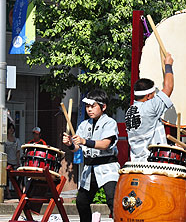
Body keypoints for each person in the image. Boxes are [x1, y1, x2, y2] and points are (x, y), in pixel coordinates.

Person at [62, 89, 119, 222]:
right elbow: (77, 148)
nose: (89, 110)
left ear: (103, 107)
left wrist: (84, 141)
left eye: (93, 106)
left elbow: (105, 144)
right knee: (81, 201)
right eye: (87, 106)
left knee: (112, 200)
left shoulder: (110, 123)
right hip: (90, 169)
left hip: (107, 167)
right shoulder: (83, 125)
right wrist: (70, 143)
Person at [125, 53, 174, 162]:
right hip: (152, 161)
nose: (155, 96)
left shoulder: (130, 111)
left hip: (136, 161)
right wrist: (168, 65)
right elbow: (168, 87)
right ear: (147, 96)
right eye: (153, 94)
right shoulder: (150, 106)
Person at [5, 122, 21, 198]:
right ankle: (8, 193)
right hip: (7, 161)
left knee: (16, 178)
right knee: (7, 178)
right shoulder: (5, 140)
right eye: (10, 128)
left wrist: (18, 161)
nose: (11, 130)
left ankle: (18, 192)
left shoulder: (17, 140)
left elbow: (18, 152)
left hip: (15, 161)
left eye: (12, 128)